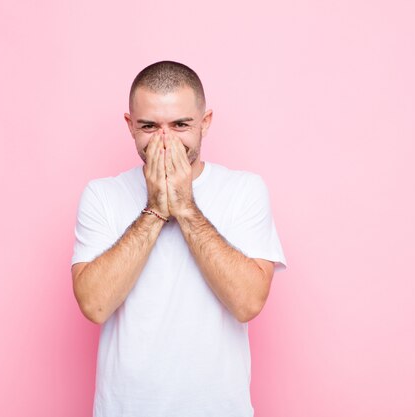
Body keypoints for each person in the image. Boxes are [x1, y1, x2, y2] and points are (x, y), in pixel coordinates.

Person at [71, 60, 287, 417]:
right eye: (149, 126)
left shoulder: (244, 190)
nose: (165, 141)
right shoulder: (102, 195)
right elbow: (94, 305)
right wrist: (155, 209)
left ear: (205, 123)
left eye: (181, 125)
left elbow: (248, 302)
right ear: (130, 126)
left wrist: (186, 208)